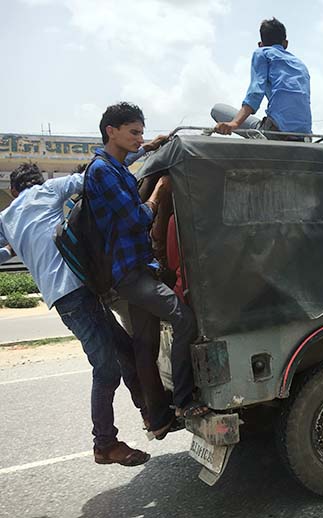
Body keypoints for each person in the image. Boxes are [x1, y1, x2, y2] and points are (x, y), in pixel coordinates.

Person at [0, 163, 150, 466]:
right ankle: (105, 443)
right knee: (107, 368)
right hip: (76, 292)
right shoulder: (49, 190)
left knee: (124, 348)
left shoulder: (5, 218)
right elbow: (93, 179)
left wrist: (19, 249)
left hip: (65, 297)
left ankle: (152, 412)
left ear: (14, 191)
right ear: (37, 182)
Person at [85, 102, 209, 431]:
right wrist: (159, 192)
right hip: (130, 272)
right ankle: (183, 401)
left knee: (145, 344)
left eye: (141, 132)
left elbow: (126, 167)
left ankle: (158, 416)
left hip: (135, 269)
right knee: (184, 321)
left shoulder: (113, 166)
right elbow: (135, 217)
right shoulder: (101, 171)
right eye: (134, 132)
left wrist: (150, 147)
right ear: (111, 131)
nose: (139, 138)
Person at [215, 17, 311, 136]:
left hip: (276, 131)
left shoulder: (262, 53)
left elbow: (255, 93)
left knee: (217, 110)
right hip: (305, 134)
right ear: (285, 43)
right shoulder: (301, 65)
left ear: (261, 44)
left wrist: (234, 123)